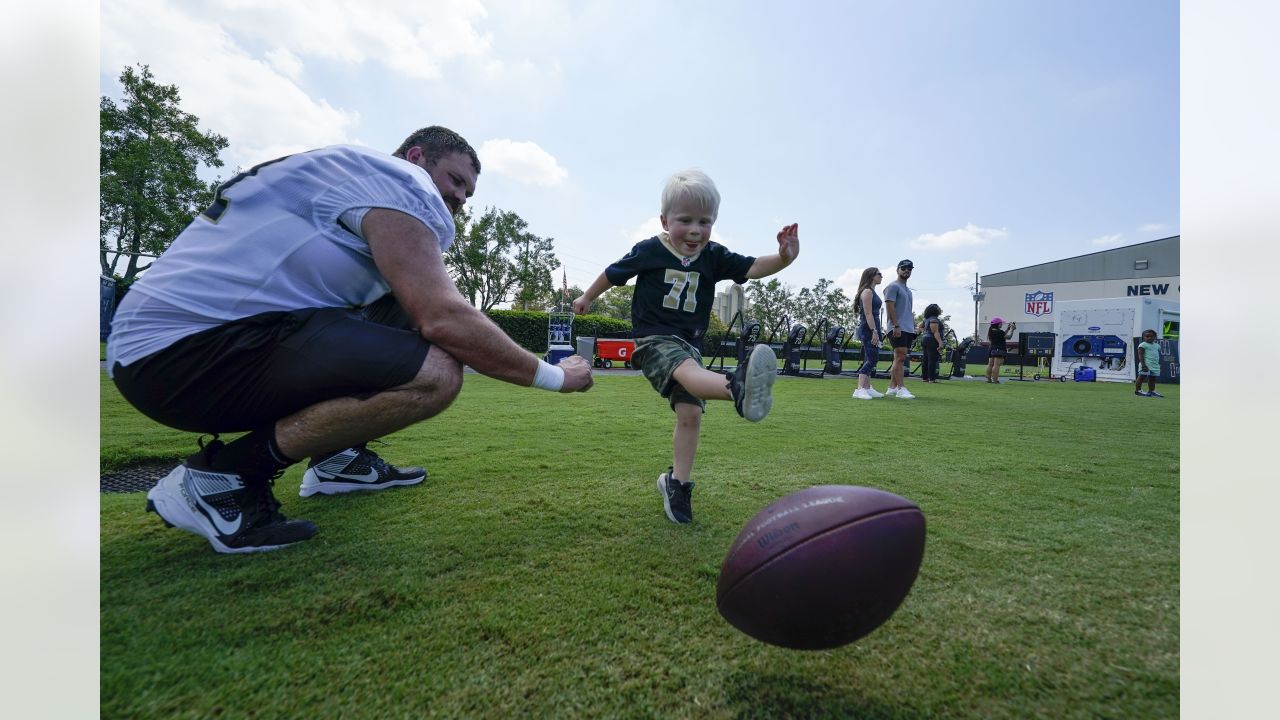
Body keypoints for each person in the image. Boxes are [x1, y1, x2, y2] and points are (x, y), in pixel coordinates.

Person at [106, 126, 594, 554]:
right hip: (183, 353)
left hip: (173, 347)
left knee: (402, 301)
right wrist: (556, 376)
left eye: (468, 193)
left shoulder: (344, 180)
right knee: (436, 375)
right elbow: (444, 317)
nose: (460, 200)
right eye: (456, 181)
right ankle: (221, 478)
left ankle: (336, 459)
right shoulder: (403, 181)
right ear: (417, 158)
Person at [572, 169, 799, 524]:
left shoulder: (713, 255)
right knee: (691, 373)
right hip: (654, 340)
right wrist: (587, 296)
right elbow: (613, 273)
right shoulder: (649, 250)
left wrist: (785, 258)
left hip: (690, 344)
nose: (695, 230)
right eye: (685, 220)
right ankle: (737, 386)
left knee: (690, 414)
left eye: (704, 221)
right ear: (665, 220)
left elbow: (753, 267)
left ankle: (676, 483)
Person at [882, 259, 916, 399]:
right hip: (897, 327)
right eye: (904, 268)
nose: (907, 270)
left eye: (909, 269)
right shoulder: (893, 287)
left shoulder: (908, 290)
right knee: (900, 357)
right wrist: (896, 325)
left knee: (899, 357)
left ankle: (892, 387)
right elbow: (890, 307)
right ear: (898, 270)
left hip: (907, 328)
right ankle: (901, 388)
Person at [851, 267, 886, 400]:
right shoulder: (867, 292)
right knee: (872, 358)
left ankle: (867, 388)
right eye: (879, 274)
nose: (881, 276)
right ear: (871, 276)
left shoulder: (872, 292)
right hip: (868, 328)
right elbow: (867, 313)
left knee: (869, 357)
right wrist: (874, 332)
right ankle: (860, 389)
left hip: (874, 326)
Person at [1134, 329, 1164, 397]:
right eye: (1147, 336)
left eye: (1152, 336)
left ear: (1155, 337)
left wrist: (1158, 364)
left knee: (1152, 379)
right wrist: (1144, 365)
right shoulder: (1142, 345)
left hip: (1154, 365)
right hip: (1146, 365)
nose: (1150, 338)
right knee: (1141, 377)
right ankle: (1138, 391)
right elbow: (1140, 355)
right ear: (1143, 337)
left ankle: (1151, 391)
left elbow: (1157, 355)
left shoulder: (1157, 346)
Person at [985, 317, 1016, 383]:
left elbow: (1002, 335)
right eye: (1001, 323)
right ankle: (995, 380)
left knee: (990, 364)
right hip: (999, 349)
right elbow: (1009, 337)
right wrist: (1012, 329)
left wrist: (1008, 329)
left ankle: (988, 379)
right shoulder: (999, 332)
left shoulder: (991, 330)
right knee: (996, 365)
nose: (1002, 324)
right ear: (998, 324)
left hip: (991, 349)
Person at [920, 303, 945, 383]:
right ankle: (931, 378)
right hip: (931, 340)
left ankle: (925, 378)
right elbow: (935, 332)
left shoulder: (926, 319)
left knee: (926, 359)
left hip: (925, 339)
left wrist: (924, 332)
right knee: (932, 359)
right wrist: (940, 342)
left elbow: (919, 326)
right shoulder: (934, 319)